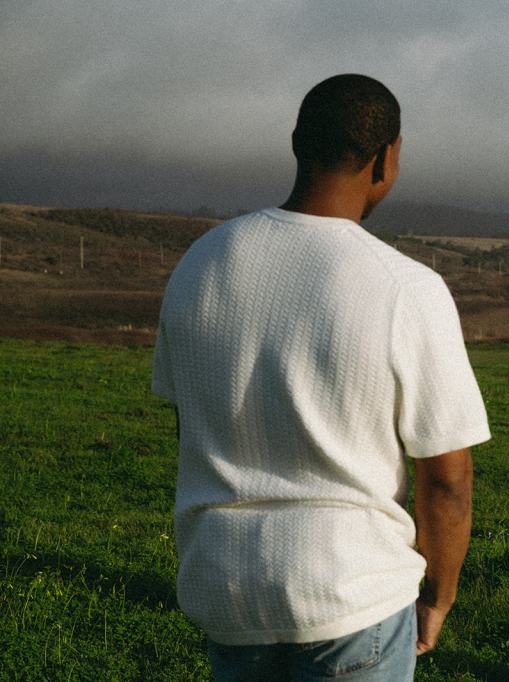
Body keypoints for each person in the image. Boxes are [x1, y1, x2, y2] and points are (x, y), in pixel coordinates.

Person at [152, 74, 490, 681]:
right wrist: (438, 597)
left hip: (225, 588)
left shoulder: (198, 265)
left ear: (297, 144)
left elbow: (190, 427)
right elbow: (447, 478)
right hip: (349, 593)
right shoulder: (406, 287)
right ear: (387, 159)